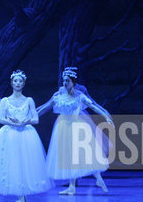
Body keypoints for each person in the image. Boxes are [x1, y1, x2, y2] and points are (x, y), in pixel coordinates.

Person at [37, 67, 113, 195]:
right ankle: (72, 186)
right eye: (64, 81)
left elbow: (93, 106)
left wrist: (105, 116)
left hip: (77, 126)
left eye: (67, 81)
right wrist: (30, 116)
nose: (65, 83)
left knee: (83, 154)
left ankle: (98, 178)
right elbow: (44, 107)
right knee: (69, 155)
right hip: (62, 127)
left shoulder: (80, 96)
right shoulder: (58, 96)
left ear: (73, 82)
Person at [0, 70, 52, 202]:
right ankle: (21, 197)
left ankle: (21, 198)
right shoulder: (5, 101)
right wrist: (13, 122)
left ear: (24, 83)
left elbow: (35, 119)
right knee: (13, 163)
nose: (18, 83)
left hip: (25, 133)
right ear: (11, 83)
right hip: (9, 133)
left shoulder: (29, 100)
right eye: (15, 81)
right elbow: (2, 119)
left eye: (20, 81)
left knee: (24, 163)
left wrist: (24, 122)